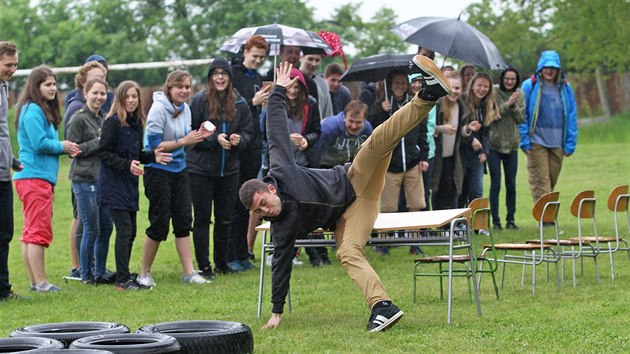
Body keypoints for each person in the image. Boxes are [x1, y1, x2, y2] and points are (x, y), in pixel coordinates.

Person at [239, 57, 451, 332]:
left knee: (378, 139)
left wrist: (278, 91)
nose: (266, 212)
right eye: (259, 213)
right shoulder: (282, 227)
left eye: (263, 204)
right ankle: (383, 307)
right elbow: (280, 266)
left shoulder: (281, 171)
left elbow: (276, 131)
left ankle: (428, 95)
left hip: (352, 179)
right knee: (348, 252)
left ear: (269, 189)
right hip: (351, 212)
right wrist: (276, 312)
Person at [136, 70, 213, 287]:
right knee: (159, 223)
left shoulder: (186, 109)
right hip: (158, 170)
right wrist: (183, 141)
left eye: (188, 87)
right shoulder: (158, 109)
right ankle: (144, 273)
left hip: (180, 170)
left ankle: (189, 273)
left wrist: (197, 138)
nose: (185, 91)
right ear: (169, 88)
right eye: (180, 87)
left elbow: (186, 144)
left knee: (183, 221)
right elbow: (153, 146)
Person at [98, 81, 172, 291]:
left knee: (130, 232)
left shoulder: (136, 123)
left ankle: (125, 274)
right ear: (120, 99)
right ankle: (122, 280)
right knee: (124, 230)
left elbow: (135, 154)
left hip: (129, 185)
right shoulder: (113, 122)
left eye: (134, 97)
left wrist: (152, 157)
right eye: (127, 97)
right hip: (112, 185)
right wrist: (126, 165)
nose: (131, 101)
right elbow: (103, 153)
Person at [13, 65, 80, 292]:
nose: (53, 88)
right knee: (37, 232)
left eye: (54, 84)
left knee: (30, 231)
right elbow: (39, 143)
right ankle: (41, 283)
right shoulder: (32, 111)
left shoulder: (37, 109)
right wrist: (63, 146)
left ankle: (35, 283)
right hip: (34, 178)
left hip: (33, 178)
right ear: (36, 86)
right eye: (47, 84)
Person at [188, 58, 253, 276]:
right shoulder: (198, 101)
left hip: (230, 170)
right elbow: (192, 133)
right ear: (210, 78)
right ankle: (204, 266)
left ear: (230, 77)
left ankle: (222, 264)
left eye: (224, 73)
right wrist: (214, 139)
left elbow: (248, 133)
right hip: (200, 170)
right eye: (215, 74)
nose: (220, 77)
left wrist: (238, 141)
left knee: (225, 218)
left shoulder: (240, 103)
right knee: (203, 218)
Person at [262, 67, 324, 266]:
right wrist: (285, 139)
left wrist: (307, 140)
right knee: (281, 209)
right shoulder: (274, 106)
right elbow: (267, 135)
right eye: (290, 86)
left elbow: (316, 130)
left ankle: (316, 254)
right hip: (282, 167)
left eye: (297, 86)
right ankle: (280, 252)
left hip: (304, 164)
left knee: (308, 209)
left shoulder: (310, 104)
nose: (293, 90)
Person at [369, 69, 428, 256]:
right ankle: (384, 243)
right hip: (390, 164)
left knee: (416, 203)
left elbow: (423, 133)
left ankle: (414, 242)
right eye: (396, 83)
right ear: (390, 85)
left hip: (412, 161)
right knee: (388, 207)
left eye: (403, 83)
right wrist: (381, 111)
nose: (400, 86)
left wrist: (424, 156)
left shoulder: (415, 105)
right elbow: (373, 129)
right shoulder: (382, 105)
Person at [66, 77, 114, 285]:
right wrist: (99, 141)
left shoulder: (105, 117)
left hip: (102, 179)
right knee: (91, 227)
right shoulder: (78, 119)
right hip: (84, 179)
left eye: (102, 93)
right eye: (95, 93)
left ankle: (100, 271)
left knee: (107, 226)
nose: (99, 97)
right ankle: (86, 275)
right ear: (85, 93)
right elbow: (73, 150)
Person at [229, 35, 270, 265]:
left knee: (247, 203)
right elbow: (230, 106)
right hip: (236, 144)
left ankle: (243, 254)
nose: (257, 60)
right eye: (254, 56)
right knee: (235, 202)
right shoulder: (232, 75)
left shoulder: (260, 78)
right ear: (245, 52)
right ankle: (231, 255)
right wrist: (252, 102)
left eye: (261, 58)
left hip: (254, 143)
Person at [520, 50, 577, 203]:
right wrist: (524, 140)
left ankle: (547, 215)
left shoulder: (565, 87)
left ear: (558, 69)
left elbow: (571, 115)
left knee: (551, 180)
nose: (549, 70)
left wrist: (570, 143)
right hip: (536, 142)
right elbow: (522, 114)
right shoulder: (529, 86)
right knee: (541, 181)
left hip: (557, 142)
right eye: (546, 67)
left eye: (553, 67)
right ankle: (545, 219)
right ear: (540, 68)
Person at [488, 68, 525, 230]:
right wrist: (507, 104)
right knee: (495, 184)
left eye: (513, 79)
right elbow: (490, 116)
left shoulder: (520, 94)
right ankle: (495, 221)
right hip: (494, 144)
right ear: (502, 79)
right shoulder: (494, 91)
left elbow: (521, 119)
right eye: (507, 78)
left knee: (511, 184)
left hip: (512, 145)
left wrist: (515, 105)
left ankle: (511, 219)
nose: (509, 81)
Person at [458, 73, 499, 213]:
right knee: (462, 190)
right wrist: (471, 139)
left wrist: (485, 151)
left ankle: (477, 224)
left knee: (477, 190)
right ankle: (460, 222)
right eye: (479, 85)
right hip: (461, 152)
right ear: (472, 86)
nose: (482, 89)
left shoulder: (487, 105)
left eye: (486, 86)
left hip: (477, 155)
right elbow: (458, 127)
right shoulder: (461, 101)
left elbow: (486, 131)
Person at [0, 41, 22, 301]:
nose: (13, 69)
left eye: (15, 64)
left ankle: (3, 288)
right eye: (9, 65)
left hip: (4, 171)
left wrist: (12, 159)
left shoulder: (4, 87)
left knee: (5, 232)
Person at [432, 76, 465, 211]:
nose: (454, 91)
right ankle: (437, 223)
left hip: (452, 156)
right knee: (436, 190)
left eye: (457, 88)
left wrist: (467, 130)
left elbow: (460, 132)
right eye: (451, 87)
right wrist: (441, 129)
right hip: (436, 156)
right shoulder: (437, 104)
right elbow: (426, 127)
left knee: (451, 189)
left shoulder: (462, 107)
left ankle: (448, 226)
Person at [315, 100, 372, 169]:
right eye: (351, 121)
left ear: (364, 120)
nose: (354, 126)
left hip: (345, 164)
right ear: (344, 117)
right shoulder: (329, 129)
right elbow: (315, 154)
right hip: (324, 164)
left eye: (358, 122)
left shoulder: (367, 130)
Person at [409, 73, 437, 212]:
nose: (417, 85)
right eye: (414, 82)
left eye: (420, 82)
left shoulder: (430, 102)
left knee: (425, 191)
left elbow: (429, 128)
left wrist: (424, 155)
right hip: (410, 156)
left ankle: (425, 225)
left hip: (427, 153)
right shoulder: (406, 103)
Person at [300, 53, 333, 119]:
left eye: (317, 60)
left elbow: (328, 112)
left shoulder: (323, 83)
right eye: (310, 59)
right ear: (301, 58)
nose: (314, 64)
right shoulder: (293, 79)